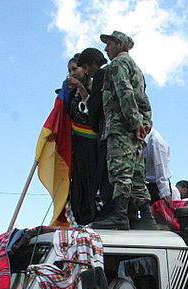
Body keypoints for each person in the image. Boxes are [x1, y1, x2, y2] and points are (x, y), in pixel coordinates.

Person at [100, 31, 154, 230]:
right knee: (137, 175)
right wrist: (145, 123)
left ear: (119, 44)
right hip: (135, 132)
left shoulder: (117, 65)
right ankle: (147, 218)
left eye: (109, 44)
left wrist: (134, 123)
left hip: (121, 127)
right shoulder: (137, 69)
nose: (106, 49)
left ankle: (120, 215)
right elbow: (144, 101)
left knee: (121, 171)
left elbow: (125, 93)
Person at [77, 47, 115, 228]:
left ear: (92, 64)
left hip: (107, 132)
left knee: (106, 175)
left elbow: (95, 107)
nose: (87, 73)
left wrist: (87, 95)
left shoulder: (102, 74)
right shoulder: (117, 70)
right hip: (118, 133)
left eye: (86, 68)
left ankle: (109, 213)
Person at [65, 54, 101, 225]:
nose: (72, 74)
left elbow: (93, 110)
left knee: (92, 186)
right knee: (77, 189)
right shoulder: (70, 93)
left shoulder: (96, 86)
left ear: (84, 69)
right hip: (76, 147)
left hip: (93, 145)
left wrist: (80, 87)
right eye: (69, 71)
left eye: (74, 69)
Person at [144, 129, 174, 209]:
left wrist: (165, 193)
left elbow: (160, 167)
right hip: (144, 185)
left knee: (160, 218)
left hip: (157, 187)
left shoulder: (156, 141)